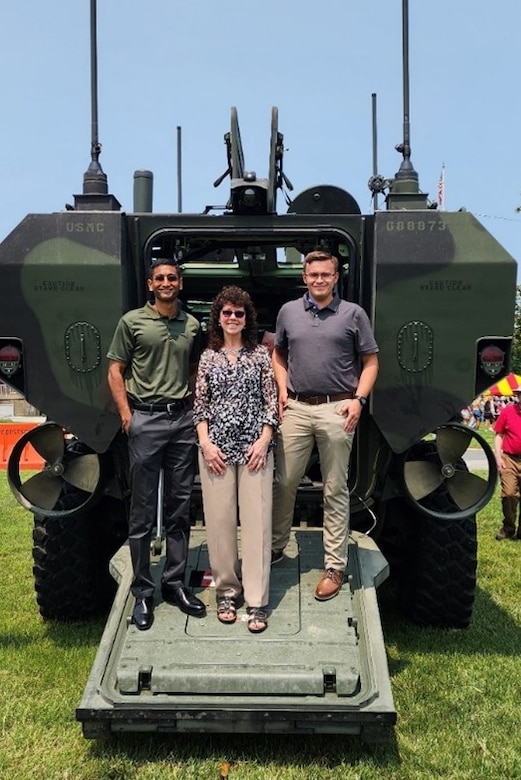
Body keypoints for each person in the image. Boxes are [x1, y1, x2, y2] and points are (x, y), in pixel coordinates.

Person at [271, 250, 379, 601]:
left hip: (338, 408)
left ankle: (334, 564)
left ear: (336, 277)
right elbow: (279, 353)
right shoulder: (289, 312)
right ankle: (275, 546)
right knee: (284, 480)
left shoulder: (353, 314)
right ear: (304, 276)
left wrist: (359, 400)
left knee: (334, 489)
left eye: (326, 274)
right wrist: (282, 389)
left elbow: (371, 361)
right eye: (313, 274)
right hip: (298, 407)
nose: (319, 279)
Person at [107, 258, 205, 630]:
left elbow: (195, 367)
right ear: (150, 284)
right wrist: (126, 415)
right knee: (142, 513)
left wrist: (193, 401)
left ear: (180, 283)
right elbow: (115, 369)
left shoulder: (191, 324)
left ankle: (175, 584)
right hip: (145, 420)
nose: (166, 283)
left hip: (181, 420)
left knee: (180, 508)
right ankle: (143, 592)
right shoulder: (132, 322)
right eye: (160, 278)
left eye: (172, 278)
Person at [193, 286, 278, 633]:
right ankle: (227, 591)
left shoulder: (260, 356)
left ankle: (256, 600)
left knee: (257, 524)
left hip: (255, 450)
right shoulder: (207, 358)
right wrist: (206, 444)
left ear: (247, 319)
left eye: (239, 313)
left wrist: (264, 440)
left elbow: (271, 403)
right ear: (218, 317)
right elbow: (199, 405)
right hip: (216, 451)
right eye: (226, 312)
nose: (232, 318)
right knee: (220, 521)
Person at [493, 384, 521, 540]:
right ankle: (509, 527)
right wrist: (498, 457)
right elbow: (499, 435)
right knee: (509, 493)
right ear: (518, 395)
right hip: (510, 458)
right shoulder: (508, 411)